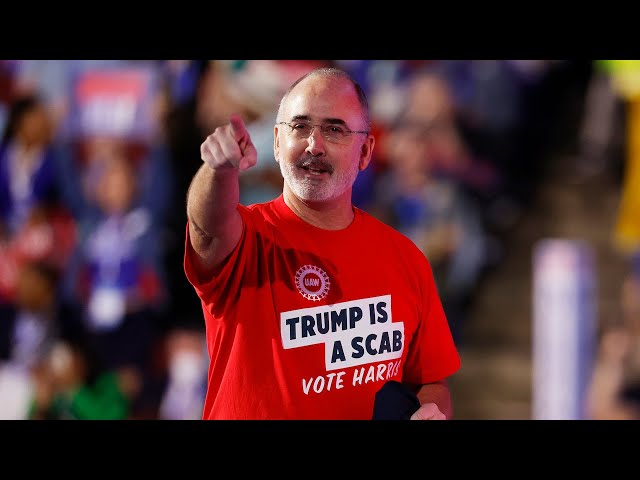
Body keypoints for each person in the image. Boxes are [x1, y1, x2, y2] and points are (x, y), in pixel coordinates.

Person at [184, 67, 461, 420]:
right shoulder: (247, 237)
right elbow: (206, 227)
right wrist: (218, 169)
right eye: (299, 126)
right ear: (277, 142)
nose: (314, 144)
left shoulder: (405, 258)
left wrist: (433, 412)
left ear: (365, 152)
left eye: (334, 129)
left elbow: (431, 383)